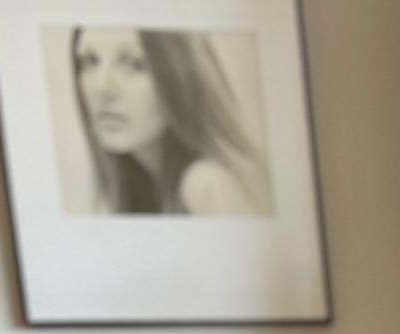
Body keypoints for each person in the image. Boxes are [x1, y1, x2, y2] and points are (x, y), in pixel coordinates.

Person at [69, 27, 270, 216]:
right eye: (89, 61)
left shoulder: (207, 184)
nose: (101, 88)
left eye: (134, 63)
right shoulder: (139, 185)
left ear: (183, 76)